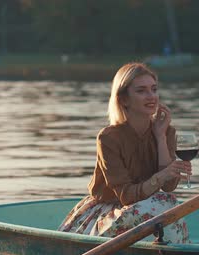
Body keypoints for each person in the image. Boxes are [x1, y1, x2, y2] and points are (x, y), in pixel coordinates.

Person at [58, 62, 191, 243]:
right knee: (163, 202)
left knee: (164, 200)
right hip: (108, 213)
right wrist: (162, 175)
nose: (151, 96)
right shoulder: (108, 138)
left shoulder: (166, 131)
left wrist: (160, 137)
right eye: (141, 91)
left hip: (150, 208)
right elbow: (126, 196)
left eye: (154, 89)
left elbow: (169, 186)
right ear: (123, 99)